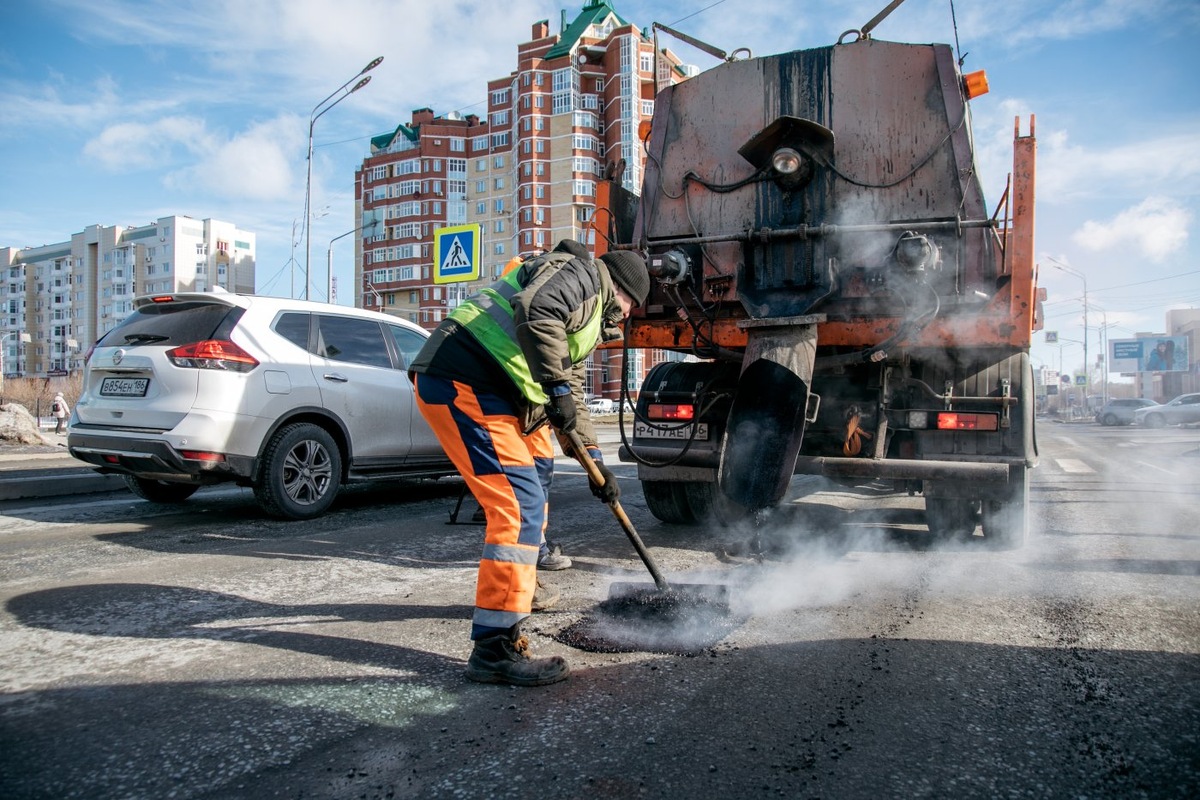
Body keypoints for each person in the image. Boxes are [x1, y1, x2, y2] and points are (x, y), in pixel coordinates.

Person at [409, 239, 650, 686]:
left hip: (500, 393)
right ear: (622, 291)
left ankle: (523, 586)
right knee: (518, 508)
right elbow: (536, 308)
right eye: (631, 306)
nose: (628, 316)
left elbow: (572, 398)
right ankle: (495, 647)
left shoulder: (587, 318)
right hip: (466, 380)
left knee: (538, 474)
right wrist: (556, 389)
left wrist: (595, 462)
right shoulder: (582, 276)